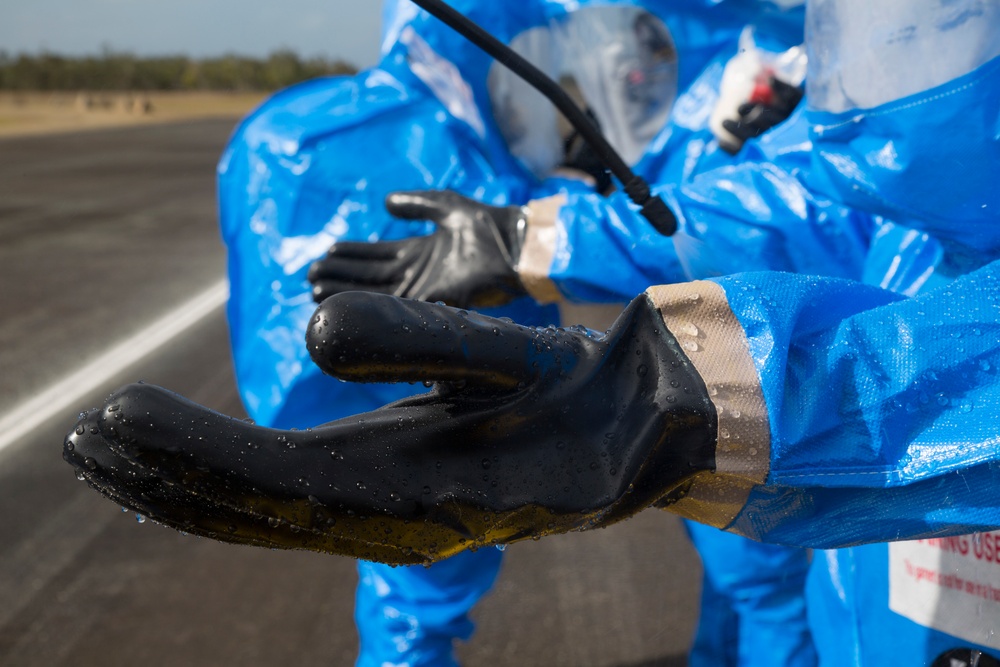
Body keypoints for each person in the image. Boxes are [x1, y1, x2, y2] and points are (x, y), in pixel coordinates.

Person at [222, 1, 816, 666]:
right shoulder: (471, 128)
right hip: (750, 343)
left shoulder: (293, 129)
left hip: (741, 334)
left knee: (408, 587)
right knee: (763, 574)